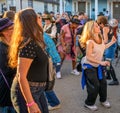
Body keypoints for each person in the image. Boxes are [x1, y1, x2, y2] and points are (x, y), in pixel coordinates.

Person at [9, 8, 49, 113]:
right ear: (32, 21)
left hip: (37, 90)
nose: (41, 19)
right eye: (39, 17)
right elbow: (21, 76)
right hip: (28, 92)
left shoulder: (36, 40)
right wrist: (30, 103)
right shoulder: (29, 43)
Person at [80, 21, 116, 111]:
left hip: (97, 64)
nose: (99, 27)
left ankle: (103, 100)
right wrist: (101, 63)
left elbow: (102, 47)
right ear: (91, 29)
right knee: (94, 85)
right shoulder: (90, 42)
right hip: (89, 65)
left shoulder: (99, 37)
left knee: (103, 83)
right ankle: (88, 103)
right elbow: (88, 57)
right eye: (96, 26)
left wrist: (112, 42)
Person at [97, 16, 119, 85]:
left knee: (108, 62)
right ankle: (108, 75)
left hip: (110, 45)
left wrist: (100, 42)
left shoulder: (104, 28)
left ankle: (115, 80)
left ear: (101, 23)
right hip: (112, 45)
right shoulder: (109, 26)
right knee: (107, 60)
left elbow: (106, 40)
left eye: (99, 24)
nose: (99, 26)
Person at [0, 18, 16, 113]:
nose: (15, 29)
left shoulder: (11, 45)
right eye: (12, 28)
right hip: (6, 90)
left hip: (12, 88)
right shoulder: (2, 48)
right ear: (5, 32)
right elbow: (7, 71)